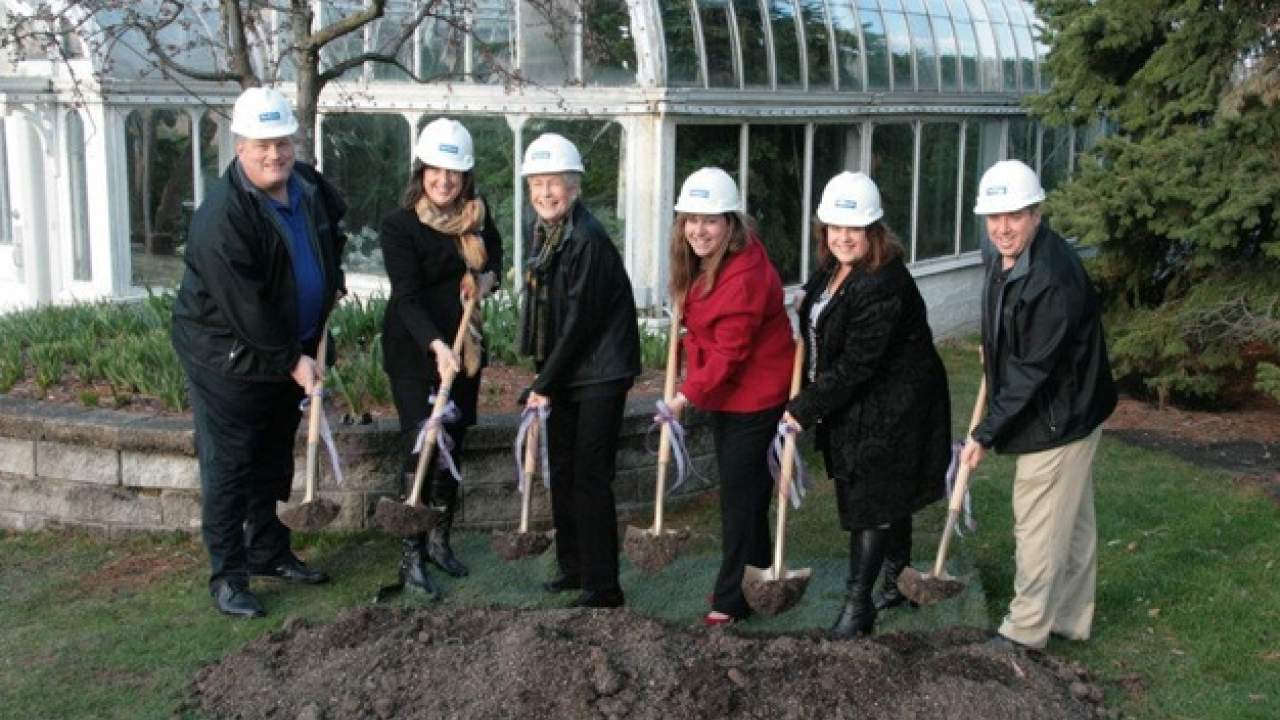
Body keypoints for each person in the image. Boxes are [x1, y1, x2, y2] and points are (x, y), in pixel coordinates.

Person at [171, 87, 346, 618]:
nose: (275, 154)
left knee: (273, 454)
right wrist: (294, 362)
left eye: (283, 142)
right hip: (227, 357)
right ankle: (229, 575)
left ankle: (270, 552)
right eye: (262, 145)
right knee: (230, 465)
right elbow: (246, 309)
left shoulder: (308, 185)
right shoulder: (222, 218)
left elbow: (333, 224)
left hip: (285, 348)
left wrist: (330, 281)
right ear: (240, 147)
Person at [782, 172, 951, 638]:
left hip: (896, 403)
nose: (842, 236)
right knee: (885, 491)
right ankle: (897, 581)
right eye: (834, 227)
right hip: (870, 397)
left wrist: (804, 406)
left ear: (873, 230)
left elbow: (857, 364)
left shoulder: (881, 283)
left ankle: (859, 608)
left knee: (873, 496)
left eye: (852, 228)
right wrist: (806, 306)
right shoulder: (835, 268)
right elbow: (820, 304)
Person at [960, 159, 1117, 650]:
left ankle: (1025, 630)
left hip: (1059, 416)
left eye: (1015, 215)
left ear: (1036, 213)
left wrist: (985, 432)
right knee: (1071, 524)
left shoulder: (1050, 277)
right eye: (994, 217)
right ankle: (1070, 618)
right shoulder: (1008, 257)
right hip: (1069, 404)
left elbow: (1033, 372)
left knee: (1039, 521)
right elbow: (1013, 330)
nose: (1003, 228)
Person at [378, 118, 503, 600]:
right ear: (422, 171)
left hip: (465, 347)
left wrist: (485, 280)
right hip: (417, 350)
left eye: (454, 173)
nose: (444, 181)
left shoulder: (478, 217)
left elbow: (497, 262)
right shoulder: (399, 225)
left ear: (466, 177)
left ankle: (439, 541)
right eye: (436, 171)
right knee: (423, 442)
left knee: (455, 439)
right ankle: (410, 556)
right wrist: (436, 346)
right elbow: (406, 297)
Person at [663, 167, 794, 626]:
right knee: (747, 495)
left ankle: (730, 601)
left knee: (739, 501)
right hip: (731, 396)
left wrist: (685, 395)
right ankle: (756, 579)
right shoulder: (705, 261)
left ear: (730, 224)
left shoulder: (743, 278)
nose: (698, 230)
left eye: (710, 220)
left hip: (754, 399)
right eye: (690, 219)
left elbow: (730, 351)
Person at [518, 133, 641, 609]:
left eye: (555, 184)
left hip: (601, 371)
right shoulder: (547, 237)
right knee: (564, 470)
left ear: (574, 189)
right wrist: (545, 378)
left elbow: (579, 323)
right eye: (538, 185)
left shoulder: (586, 239)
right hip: (573, 369)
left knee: (590, 475)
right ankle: (574, 568)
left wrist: (542, 383)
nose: (545, 193)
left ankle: (604, 586)